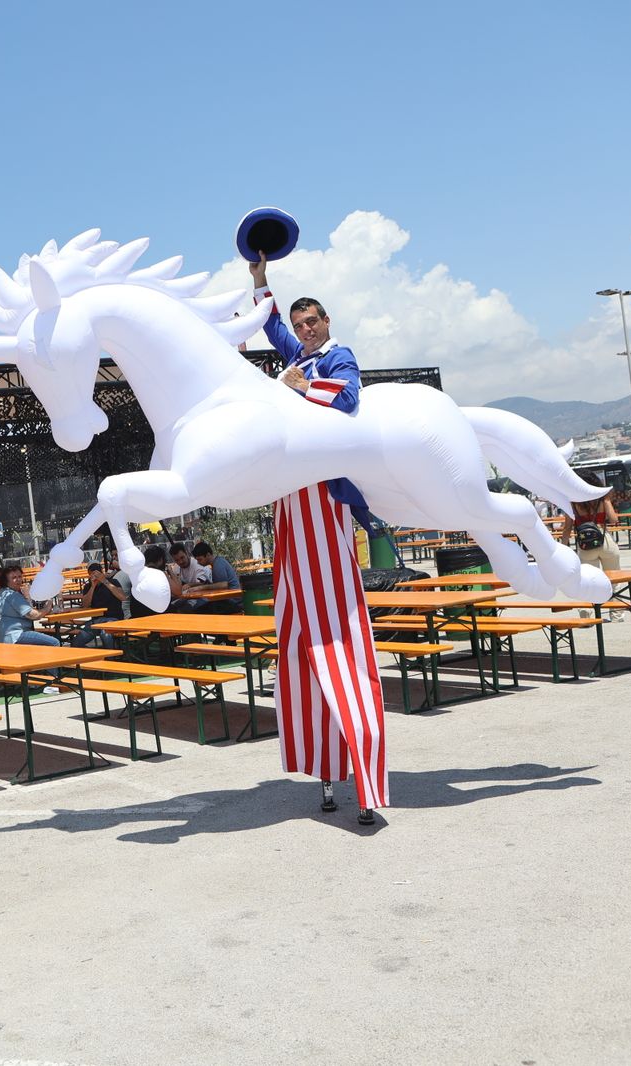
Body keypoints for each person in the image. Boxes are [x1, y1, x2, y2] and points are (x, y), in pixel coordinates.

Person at [251, 252, 388, 823]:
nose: (305, 330)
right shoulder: (297, 355)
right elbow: (270, 325)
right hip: (289, 504)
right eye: (300, 325)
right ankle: (325, 765)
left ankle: (357, 762)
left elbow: (348, 398)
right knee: (297, 633)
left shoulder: (337, 356)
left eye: (312, 322)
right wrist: (260, 280)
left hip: (324, 498)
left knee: (337, 628)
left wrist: (299, 387)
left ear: (327, 322)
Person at [563, 471, 620, 572]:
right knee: (615, 578)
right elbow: (614, 520)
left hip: (585, 544)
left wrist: (563, 547)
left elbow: (567, 528)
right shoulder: (602, 499)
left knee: (591, 578)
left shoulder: (572, 503)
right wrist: (607, 500)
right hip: (605, 540)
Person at [0, 565, 59, 647]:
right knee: (54, 643)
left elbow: (27, 610)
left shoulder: (1, 593)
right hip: (13, 636)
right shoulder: (12, 595)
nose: (18, 580)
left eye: (19, 576)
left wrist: (27, 597)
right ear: (6, 580)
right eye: (14, 577)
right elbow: (33, 615)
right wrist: (47, 607)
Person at [73, 562, 126, 647]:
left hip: (113, 618)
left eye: (97, 574)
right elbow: (85, 605)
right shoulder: (88, 586)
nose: (95, 577)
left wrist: (104, 581)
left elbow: (122, 597)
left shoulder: (113, 582)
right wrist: (93, 586)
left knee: (105, 635)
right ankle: (93, 654)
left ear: (102, 573)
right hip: (96, 620)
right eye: (92, 575)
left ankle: (112, 654)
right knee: (77, 642)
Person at [184, 542, 243, 615]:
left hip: (233, 602)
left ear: (208, 555)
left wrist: (201, 588)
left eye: (200, 559)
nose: (198, 563)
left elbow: (223, 585)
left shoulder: (218, 565)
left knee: (198, 609)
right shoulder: (217, 562)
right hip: (228, 600)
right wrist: (196, 585)